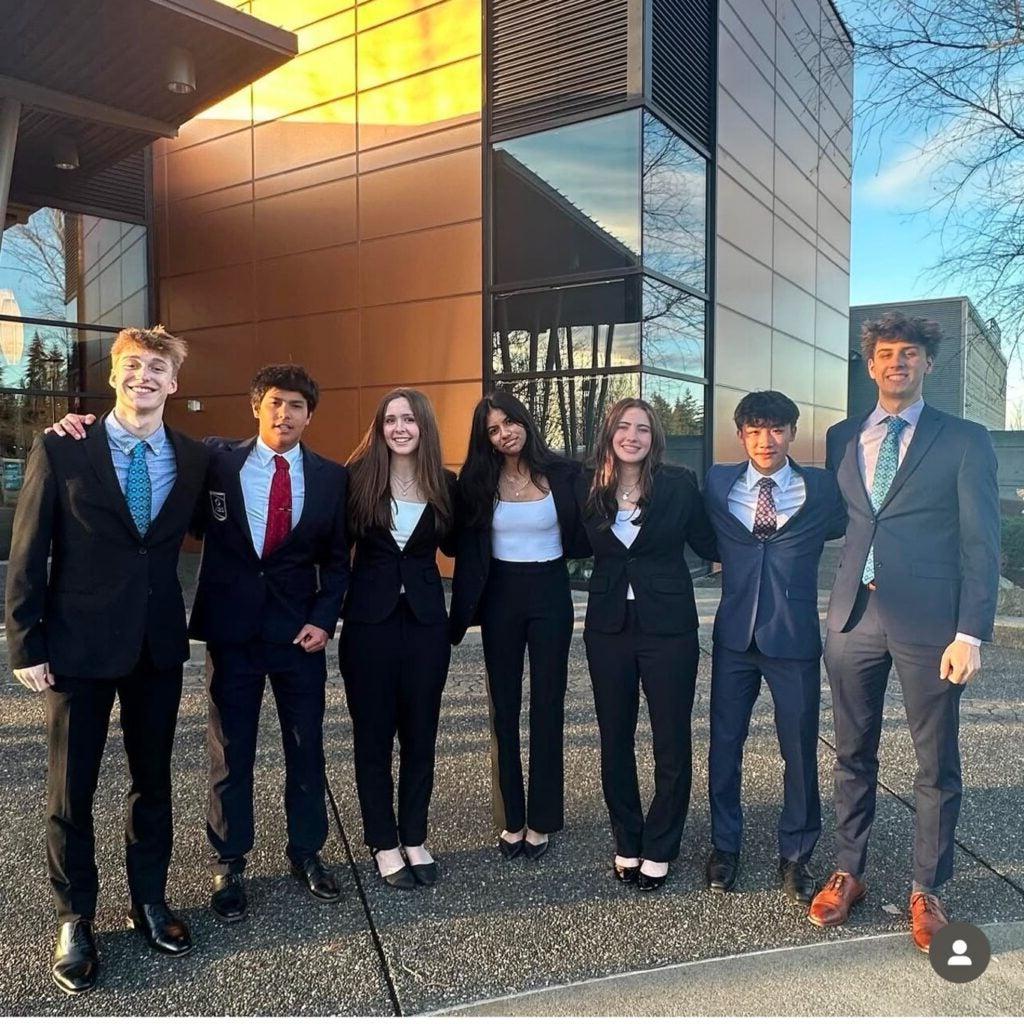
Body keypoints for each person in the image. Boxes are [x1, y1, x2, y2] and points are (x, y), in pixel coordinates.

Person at [53, 365, 350, 924]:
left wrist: (324, 617)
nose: (284, 415)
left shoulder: (333, 478)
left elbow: (336, 562)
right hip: (231, 633)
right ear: (256, 408)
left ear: (310, 415)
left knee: (306, 749)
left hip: (298, 637)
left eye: (296, 406)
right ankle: (229, 860)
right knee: (229, 753)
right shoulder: (214, 461)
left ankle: (307, 851)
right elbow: (148, 455)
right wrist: (82, 425)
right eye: (275, 404)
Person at [6, 326, 209, 994]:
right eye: (132, 366)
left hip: (156, 647)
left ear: (173, 383)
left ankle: (149, 900)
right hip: (78, 647)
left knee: (152, 783)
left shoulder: (195, 455)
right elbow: (30, 545)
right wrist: (25, 640)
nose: (144, 376)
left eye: (157, 368)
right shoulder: (65, 448)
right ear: (115, 374)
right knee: (72, 790)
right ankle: (75, 917)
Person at [808, 312, 999, 954]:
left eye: (910, 354)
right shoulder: (842, 436)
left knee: (934, 761)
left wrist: (970, 632)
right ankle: (849, 871)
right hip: (852, 617)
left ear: (928, 364)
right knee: (850, 754)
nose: (897, 363)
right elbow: (836, 519)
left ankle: (926, 887)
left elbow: (982, 544)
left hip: (931, 627)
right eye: (886, 353)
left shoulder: (966, 440)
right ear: (870, 365)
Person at [703, 391, 846, 906]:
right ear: (741, 435)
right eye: (756, 430)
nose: (767, 440)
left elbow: (862, 529)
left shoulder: (823, 489)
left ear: (792, 434)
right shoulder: (718, 483)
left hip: (794, 639)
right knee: (724, 745)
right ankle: (725, 846)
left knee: (799, 748)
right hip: (735, 638)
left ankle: (797, 853)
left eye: (778, 429)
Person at [576, 398, 717, 891]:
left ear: (654, 438)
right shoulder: (587, 485)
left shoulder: (679, 484)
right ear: (609, 433)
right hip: (608, 626)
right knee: (614, 736)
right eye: (623, 427)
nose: (631, 436)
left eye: (642, 428)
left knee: (670, 737)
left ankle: (662, 843)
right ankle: (627, 838)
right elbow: (570, 542)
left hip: (669, 626)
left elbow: (709, 540)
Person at [449, 390, 589, 861]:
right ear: (484, 438)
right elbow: (458, 544)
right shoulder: (476, 481)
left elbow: (590, 525)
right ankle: (511, 817)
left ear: (525, 421)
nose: (504, 432)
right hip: (501, 596)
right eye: (493, 428)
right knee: (502, 707)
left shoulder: (566, 473)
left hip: (551, 593)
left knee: (548, 704)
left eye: (510, 421)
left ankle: (543, 818)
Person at [340, 388, 456, 889]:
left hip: (426, 625)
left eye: (409, 419)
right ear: (380, 427)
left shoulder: (445, 485)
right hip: (369, 625)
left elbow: (465, 547)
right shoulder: (356, 480)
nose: (400, 427)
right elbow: (328, 551)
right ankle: (383, 842)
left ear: (424, 426)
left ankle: (414, 836)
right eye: (391, 420)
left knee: (420, 737)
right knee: (373, 738)